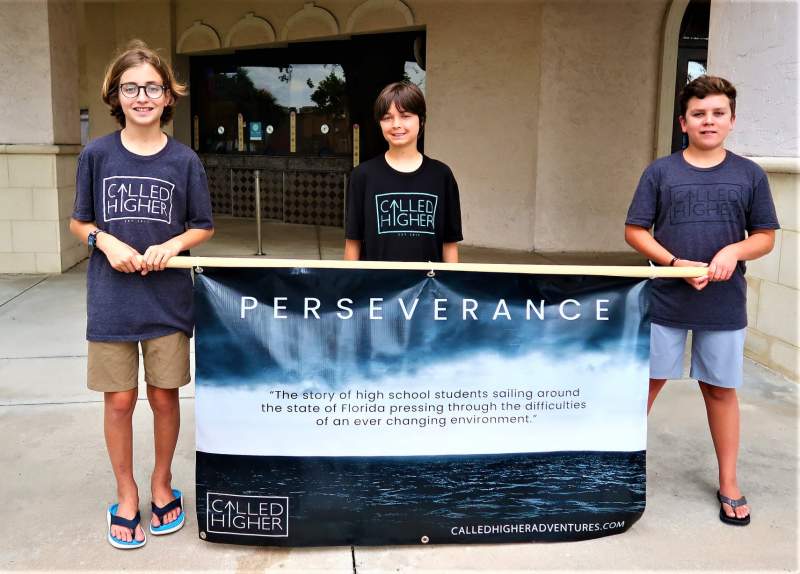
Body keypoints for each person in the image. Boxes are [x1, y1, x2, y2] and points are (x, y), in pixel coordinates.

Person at [70, 40, 214, 549]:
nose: (143, 96)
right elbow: (79, 221)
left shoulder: (184, 159)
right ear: (116, 95)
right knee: (120, 401)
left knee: (163, 396)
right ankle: (126, 491)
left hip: (167, 299)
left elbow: (202, 226)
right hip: (111, 297)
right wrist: (103, 240)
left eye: (152, 87)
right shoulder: (97, 154)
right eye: (131, 88)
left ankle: (160, 482)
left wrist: (171, 245)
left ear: (168, 95)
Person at [625, 75, 778, 527]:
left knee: (719, 389)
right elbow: (635, 230)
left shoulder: (749, 174)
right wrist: (673, 262)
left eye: (717, 113)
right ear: (683, 122)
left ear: (732, 120)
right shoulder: (661, 172)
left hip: (723, 303)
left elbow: (765, 237)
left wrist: (733, 251)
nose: (708, 121)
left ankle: (728, 480)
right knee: (646, 385)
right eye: (698, 114)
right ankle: (613, 470)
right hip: (668, 300)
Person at [344, 81, 462, 262]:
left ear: (421, 120)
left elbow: (449, 244)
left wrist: (449, 288)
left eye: (405, 115)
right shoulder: (362, 176)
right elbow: (353, 242)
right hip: (377, 288)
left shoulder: (441, 175)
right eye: (387, 117)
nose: (396, 124)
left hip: (427, 287)